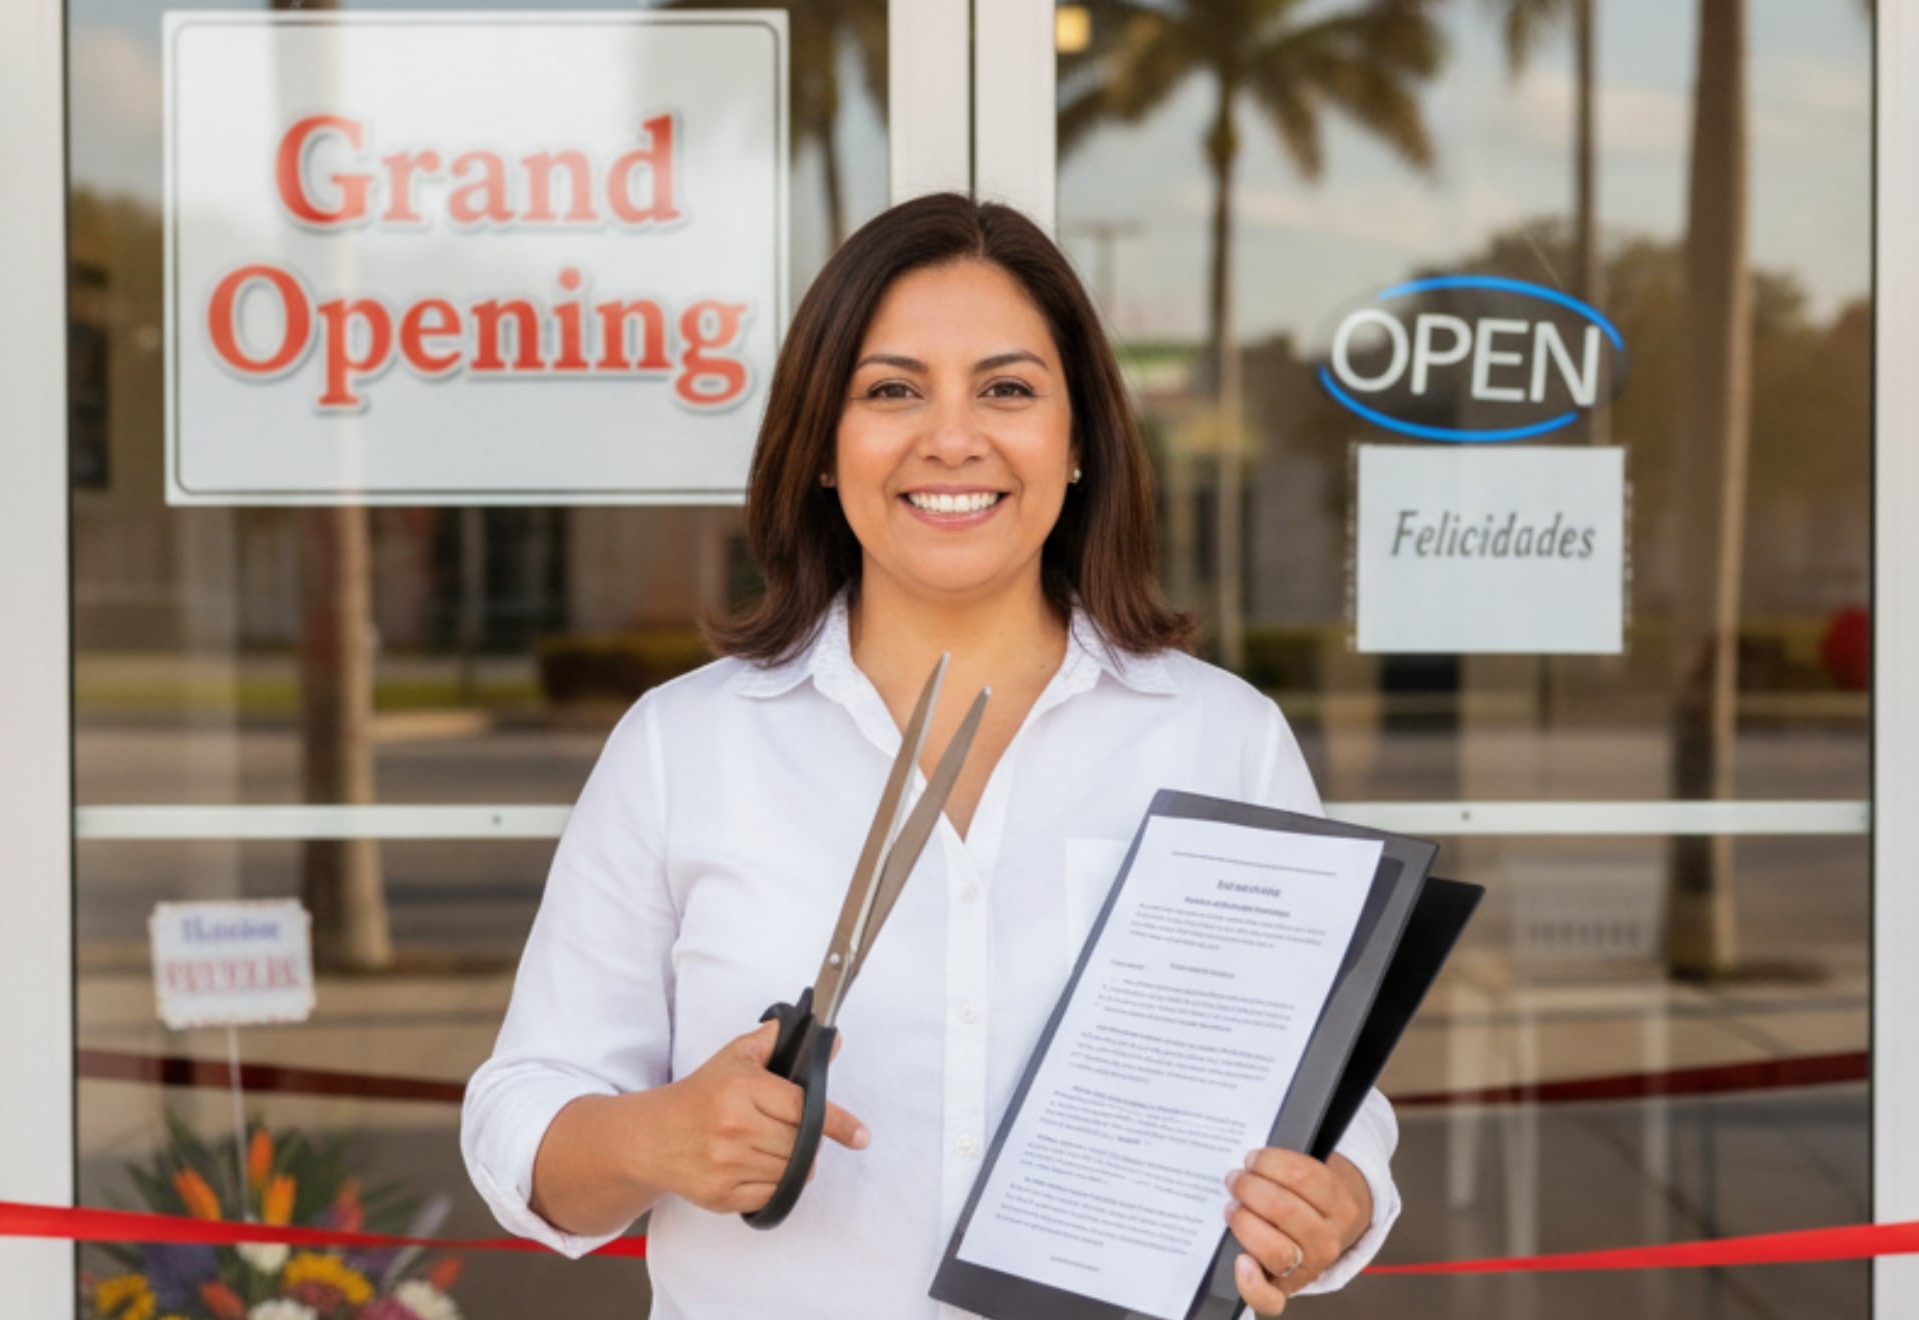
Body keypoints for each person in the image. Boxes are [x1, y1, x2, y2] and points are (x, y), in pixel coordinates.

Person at [461, 192, 1400, 1318]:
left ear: (1080, 441)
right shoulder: (683, 745)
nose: (951, 438)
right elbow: (522, 1113)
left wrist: (1334, 1201)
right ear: (819, 445)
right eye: (890, 390)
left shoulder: (1221, 740)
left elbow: (1330, 1103)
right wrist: (652, 1138)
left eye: (1006, 389)